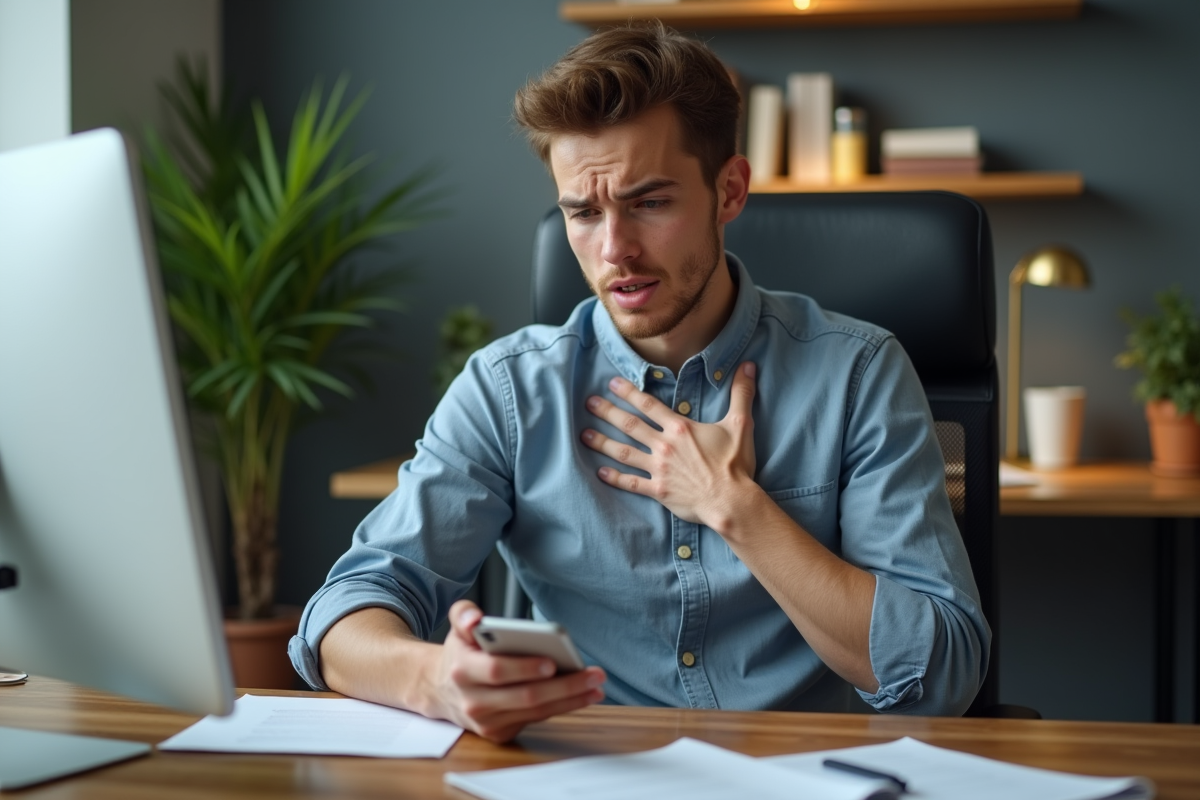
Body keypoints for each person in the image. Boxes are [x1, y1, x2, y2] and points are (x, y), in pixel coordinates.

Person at [290, 23, 990, 743]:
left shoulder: (858, 372)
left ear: (730, 191)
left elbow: (940, 677)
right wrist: (437, 680)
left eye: (650, 202)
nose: (614, 248)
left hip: (791, 778)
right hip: (578, 776)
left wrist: (736, 507)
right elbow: (343, 614)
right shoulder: (508, 390)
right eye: (583, 213)